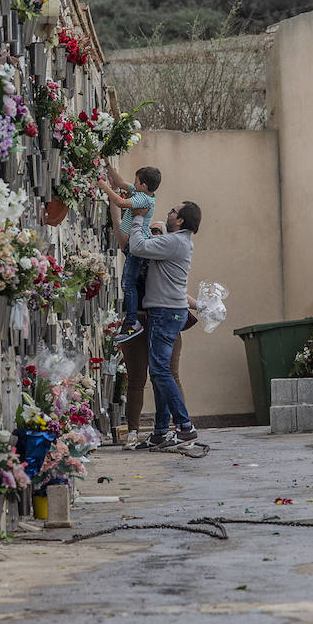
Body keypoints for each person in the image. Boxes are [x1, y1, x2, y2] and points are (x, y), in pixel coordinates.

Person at [126, 199, 202, 449]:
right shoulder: (179, 242)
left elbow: (136, 246)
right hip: (168, 312)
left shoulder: (175, 241)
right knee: (160, 372)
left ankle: (185, 427)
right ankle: (160, 431)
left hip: (165, 313)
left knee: (160, 371)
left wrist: (138, 217)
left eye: (173, 211)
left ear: (180, 220)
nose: (169, 213)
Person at [98, 165, 162, 344]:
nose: (132, 183)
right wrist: (108, 166)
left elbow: (120, 203)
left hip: (137, 247)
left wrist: (103, 187)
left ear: (143, 184)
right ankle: (131, 321)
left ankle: (132, 321)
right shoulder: (144, 193)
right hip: (134, 245)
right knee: (128, 283)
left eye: (135, 181)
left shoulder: (142, 199)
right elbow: (119, 182)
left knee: (128, 284)